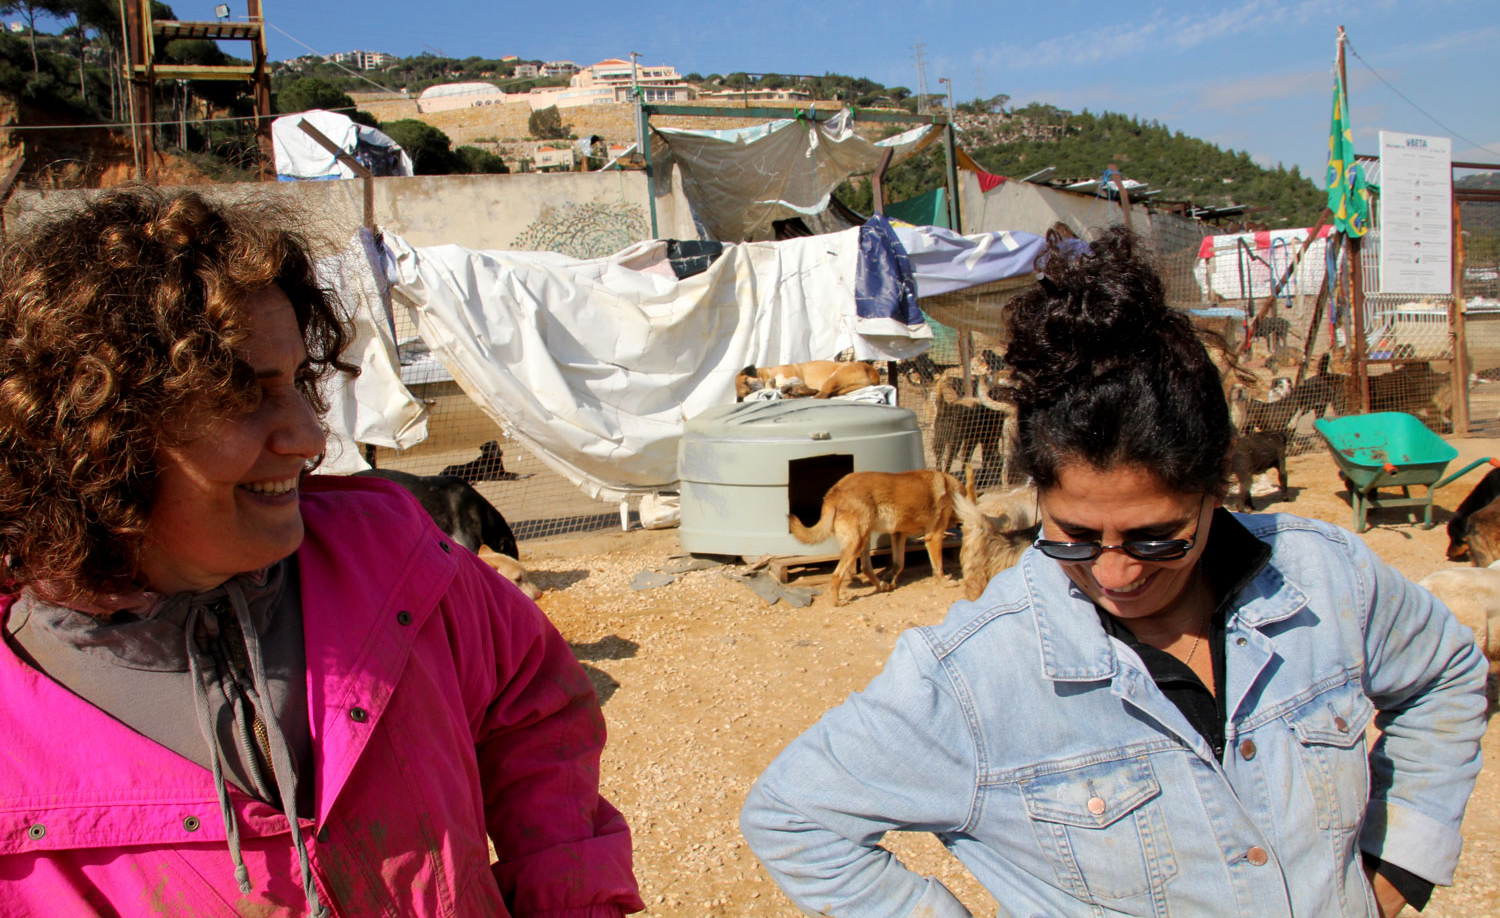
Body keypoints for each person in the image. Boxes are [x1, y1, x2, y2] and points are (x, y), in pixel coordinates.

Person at [740, 227, 1488, 918]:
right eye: (1072, 537)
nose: (1117, 572)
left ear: (1214, 488)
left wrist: (1397, 869)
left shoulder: (1325, 579)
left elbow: (1444, 678)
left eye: (1158, 538)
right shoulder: (974, 675)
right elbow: (792, 816)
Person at [0, 187, 643, 917]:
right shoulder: (18, 726)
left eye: (300, 385)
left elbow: (533, 703)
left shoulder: (395, 562)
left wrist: (568, 894)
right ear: (100, 429)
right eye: (242, 395)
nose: (309, 437)